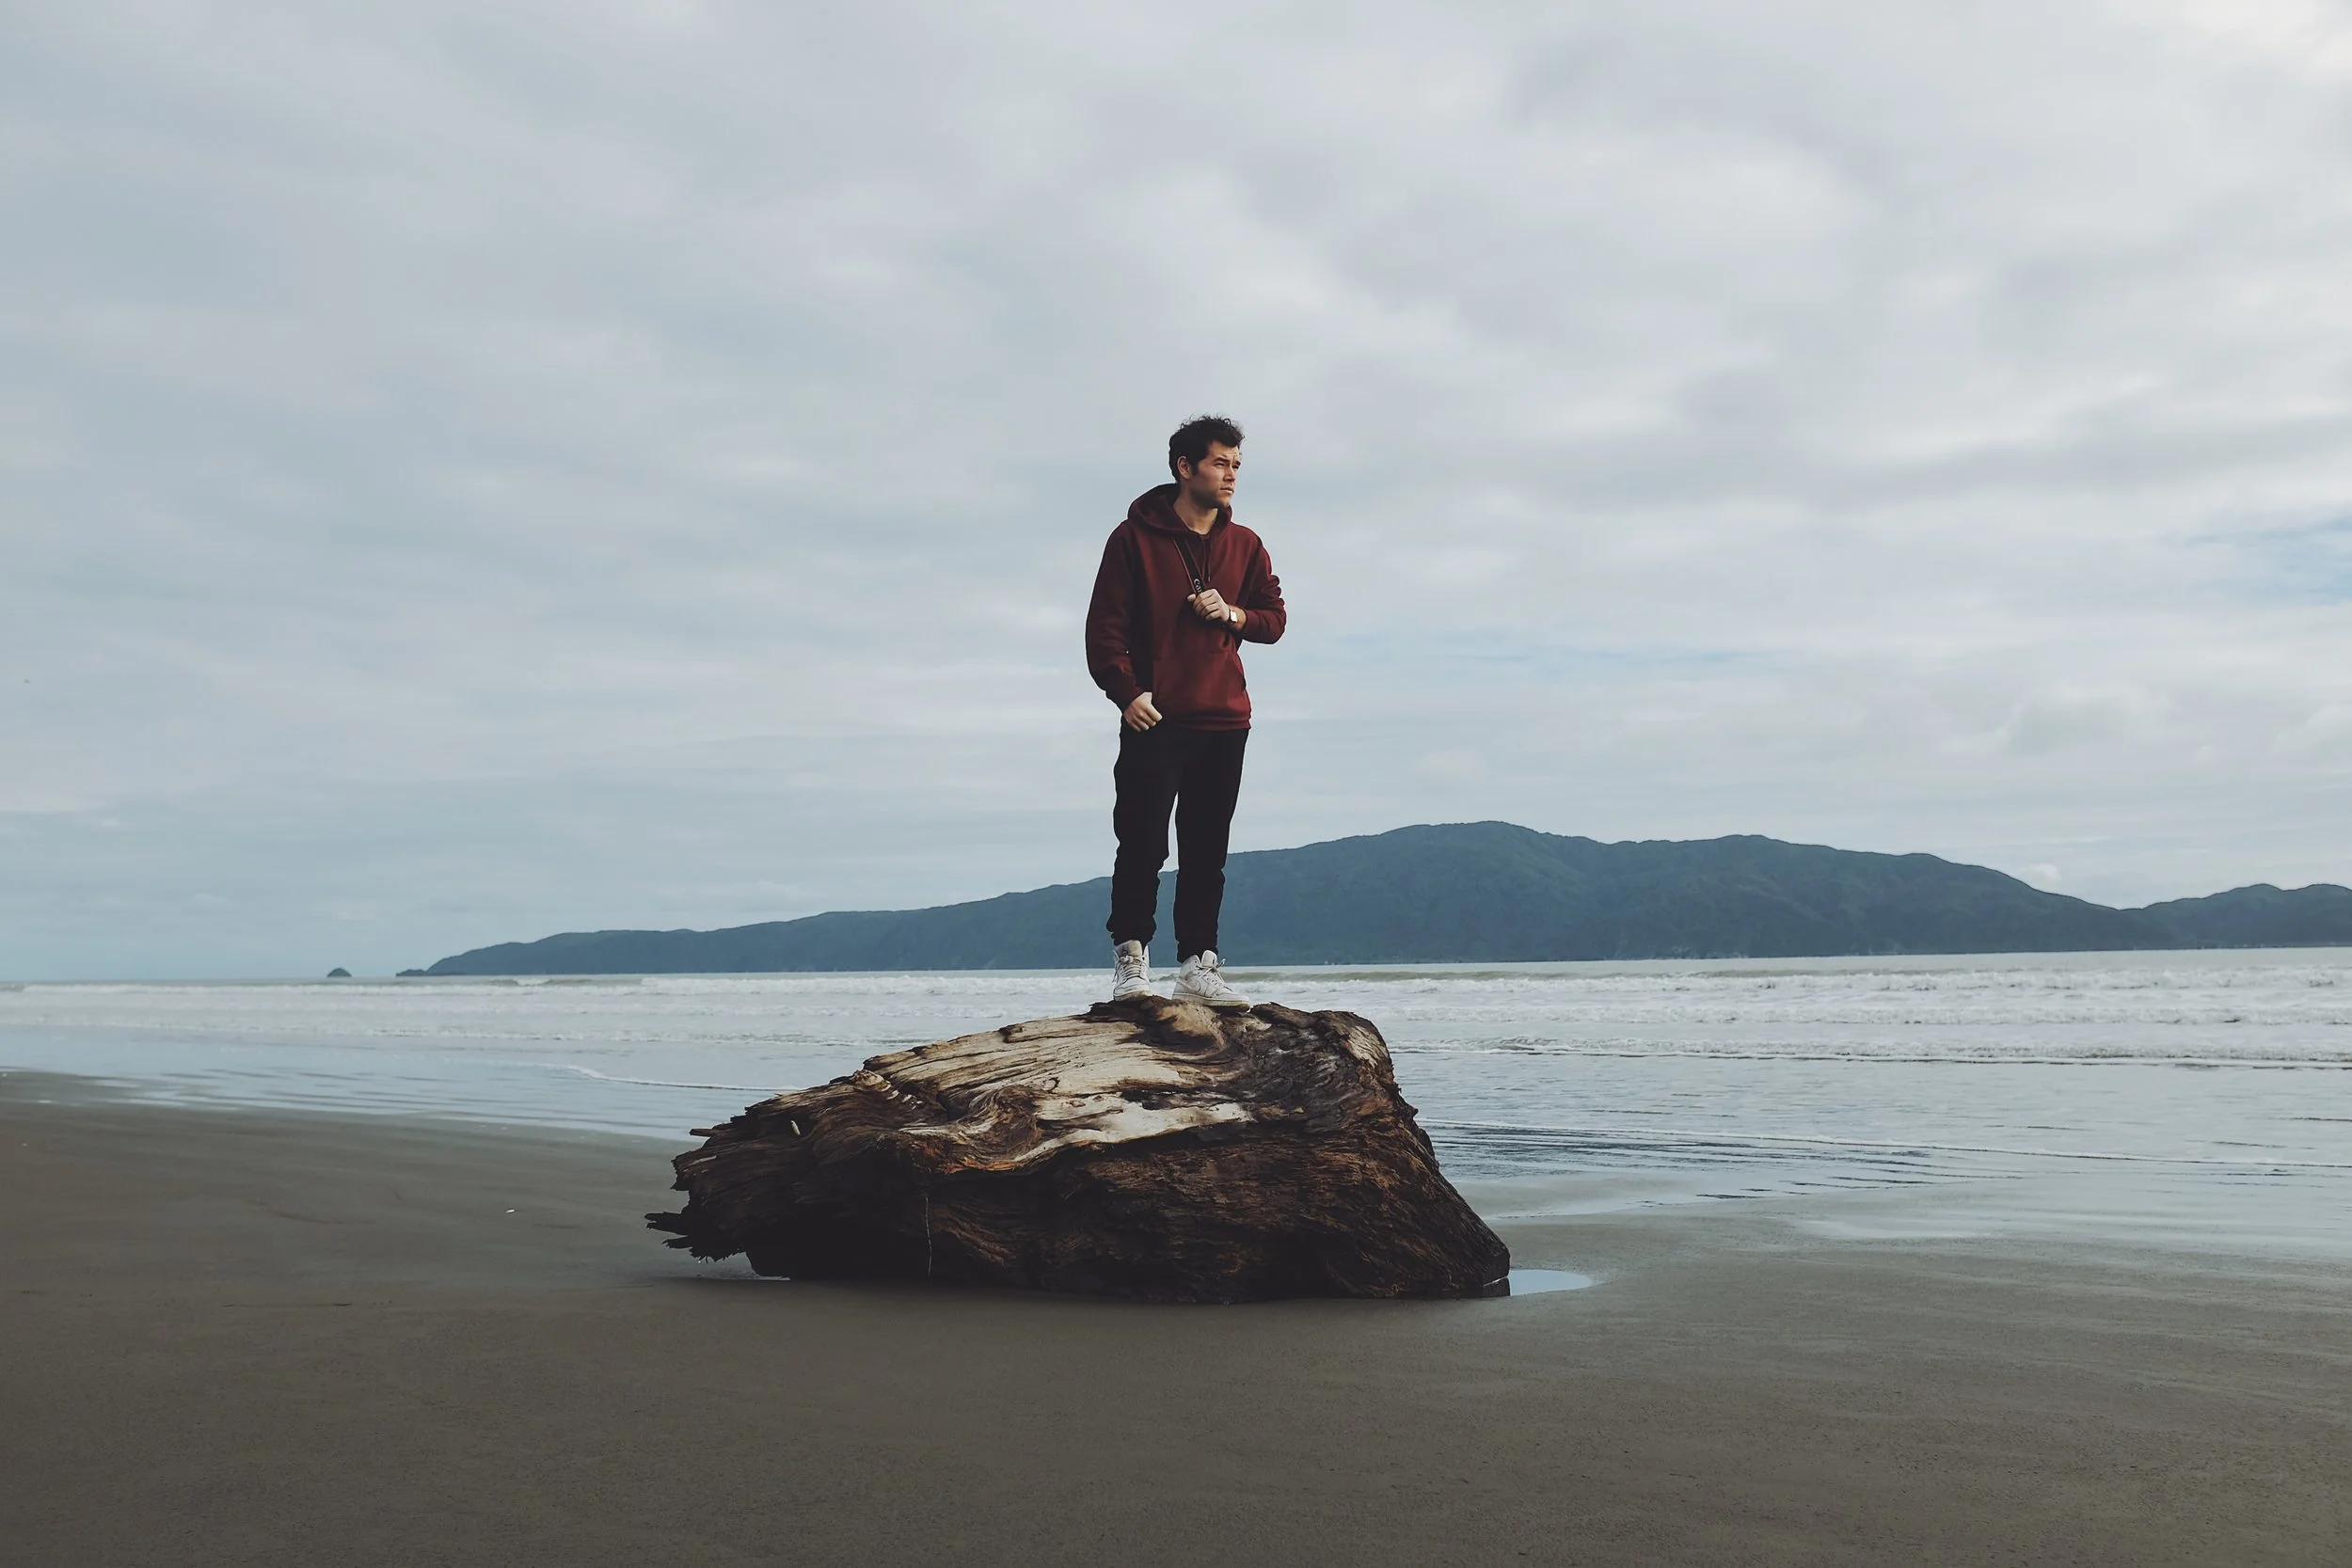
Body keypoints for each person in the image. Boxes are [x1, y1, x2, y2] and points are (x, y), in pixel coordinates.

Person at [1085, 415, 1287, 1006]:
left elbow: (1274, 621)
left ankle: (1199, 964)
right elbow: (1104, 632)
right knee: (1143, 843)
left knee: (1207, 848)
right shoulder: (1131, 540)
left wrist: (1233, 615)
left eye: (1236, 466)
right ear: (1184, 467)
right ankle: (1131, 960)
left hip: (1225, 719)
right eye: (1220, 464)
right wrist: (1128, 694)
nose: (1231, 476)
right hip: (1156, 716)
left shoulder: (1246, 545)